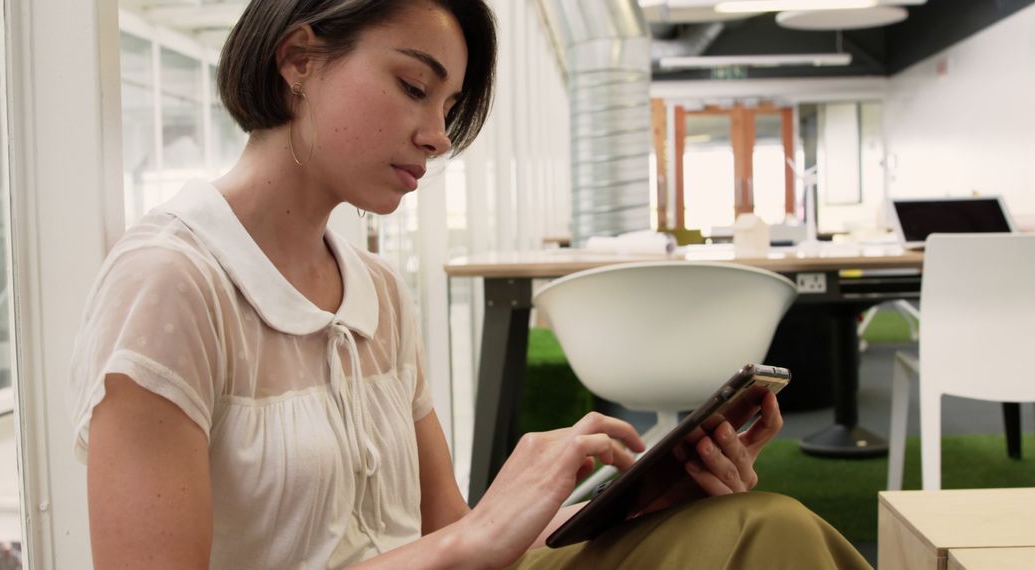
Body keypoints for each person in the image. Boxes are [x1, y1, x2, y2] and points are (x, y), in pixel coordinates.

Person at [70, 0, 871, 568]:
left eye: (449, 105)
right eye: (415, 88)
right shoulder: (171, 282)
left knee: (760, 525)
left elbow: (450, 535)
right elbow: (460, 544)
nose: (436, 135)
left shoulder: (376, 293)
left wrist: (634, 505)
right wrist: (472, 534)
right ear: (299, 59)